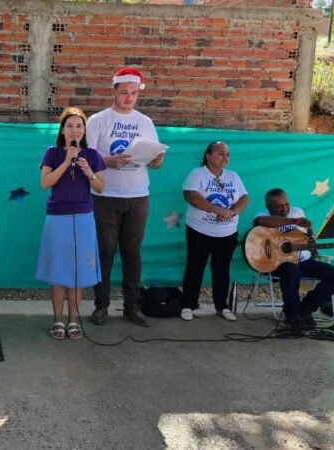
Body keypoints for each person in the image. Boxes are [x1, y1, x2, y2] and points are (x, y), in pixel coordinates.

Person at [86, 67, 164, 327]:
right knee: (105, 252)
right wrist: (108, 161)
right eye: (124, 93)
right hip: (105, 196)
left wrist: (156, 160)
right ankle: (101, 306)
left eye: (133, 94)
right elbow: (87, 157)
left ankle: (132, 306)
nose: (129, 98)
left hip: (138, 196)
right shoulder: (98, 120)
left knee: (132, 253)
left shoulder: (145, 122)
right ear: (114, 91)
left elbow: (154, 160)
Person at [36, 107, 106, 340]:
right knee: (59, 271)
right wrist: (67, 162)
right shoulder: (52, 153)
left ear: (84, 130)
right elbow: (45, 183)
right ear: (62, 130)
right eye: (70, 126)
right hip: (57, 218)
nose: (74, 130)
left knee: (77, 273)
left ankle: (73, 320)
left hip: (84, 217)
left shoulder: (93, 155)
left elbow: (100, 187)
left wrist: (89, 172)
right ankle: (57, 320)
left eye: (79, 126)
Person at [253, 188, 334, 329]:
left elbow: (308, 228)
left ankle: (306, 308)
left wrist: (313, 245)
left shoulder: (298, 211)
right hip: (278, 263)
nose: (284, 209)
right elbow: (259, 221)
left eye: (286, 204)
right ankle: (292, 313)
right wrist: (293, 221)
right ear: (268, 207)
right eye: (279, 206)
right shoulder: (262, 216)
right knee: (292, 270)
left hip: (304, 261)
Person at [180, 141, 249, 321]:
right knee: (195, 267)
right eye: (220, 153)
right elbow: (191, 196)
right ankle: (188, 304)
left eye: (227, 154)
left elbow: (244, 198)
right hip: (199, 230)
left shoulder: (233, 176)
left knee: (222, 269)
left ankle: (221, 306)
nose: (225, 158)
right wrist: (218, 211)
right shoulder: (197, 174)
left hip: (227, 232)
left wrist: (231, 212)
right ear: (208, 155)